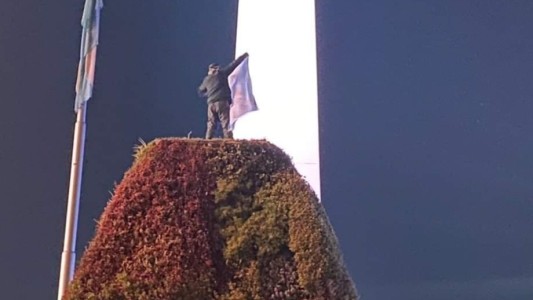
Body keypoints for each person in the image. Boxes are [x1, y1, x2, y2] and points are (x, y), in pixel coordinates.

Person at [198, 52, 249, 139]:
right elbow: (233, 64)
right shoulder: (222, 74)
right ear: (217, 69)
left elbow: (200, 91)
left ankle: (207, 141)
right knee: (225, 122)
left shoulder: (207, 79)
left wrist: (209, 94)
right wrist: (245, 55)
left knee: (211, 123)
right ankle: (228, 141)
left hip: (211, 104)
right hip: (221, 102)